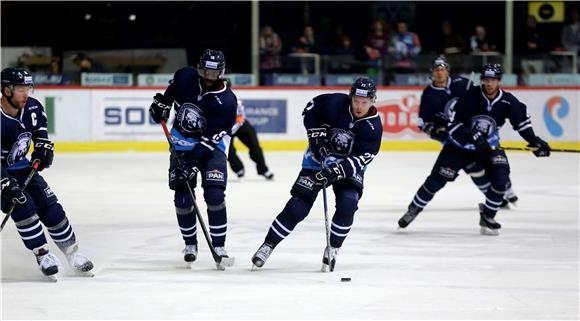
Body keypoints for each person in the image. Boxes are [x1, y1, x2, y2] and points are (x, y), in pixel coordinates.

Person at [250, 77, 382, 271]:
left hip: (348, 167)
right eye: (356, 101)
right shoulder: (334, 102)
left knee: (348, 203)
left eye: (364, 102)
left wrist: (335, 172)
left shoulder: (373, 127)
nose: (359, 106)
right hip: (316, 161)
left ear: (372, 101)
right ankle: (268, 245)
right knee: (298, 204)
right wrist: (315, 136)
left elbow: (362, 159)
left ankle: (333, 248)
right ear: (350, 97)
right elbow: (310, 110)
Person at [416, 63, 550, 235]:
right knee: (474, 171)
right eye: (486, 79)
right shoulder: (454, 95)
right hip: (462, 142)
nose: (489, 83)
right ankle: (497, 197)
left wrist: (535, 141)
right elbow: (441, 122)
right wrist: (442, 132)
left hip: (488, 144)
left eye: (493, 80)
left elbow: (521, 123)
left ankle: (495, 205)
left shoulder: (500, 97)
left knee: (499, 175)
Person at [397, 57, 518, 230]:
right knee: (437, 180)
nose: (440, 72)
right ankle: (413, 210)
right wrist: (436, 130)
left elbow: (484, 100)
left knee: (493, 168)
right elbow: (424, 122)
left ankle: (501, 195)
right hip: (455, 142)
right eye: (436, 69)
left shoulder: (463, 84)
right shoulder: (429, 94)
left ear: (448, 70)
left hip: (476, 141)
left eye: (443, 69)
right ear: (432, 72)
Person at [1, 67, 94, 280]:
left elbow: (40, 135)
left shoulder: (33, 108)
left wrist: (43, 149)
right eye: (20, 88)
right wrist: (5, 183)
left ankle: (73, 253)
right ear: (6, 90)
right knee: (23, 207)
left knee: (50, 207)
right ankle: (42, 255)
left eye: (28, 88)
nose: (26, 93)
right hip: (2, 173)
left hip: (22, 167)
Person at [148, 49, 237, 270]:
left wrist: (192, 164)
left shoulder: (226, 101)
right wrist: (161, 106)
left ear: (221, 73)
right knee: (182, 196)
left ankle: (219, 246)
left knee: (214, 194)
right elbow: (169, 96)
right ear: (199, 69)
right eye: (205, 71)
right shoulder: (185, 76)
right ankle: (190, 244)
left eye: (213, 74)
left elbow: (208, 141)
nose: (208, 78)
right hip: (181, 144)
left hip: (212, 147)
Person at [228, 99, 274, 180]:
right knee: (229, 151)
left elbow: (241, 116)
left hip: (240, 125)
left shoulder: (235, 100)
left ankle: (263, 170)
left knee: (255, 147)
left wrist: (233, 127)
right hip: (224, 129)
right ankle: (239, 169)